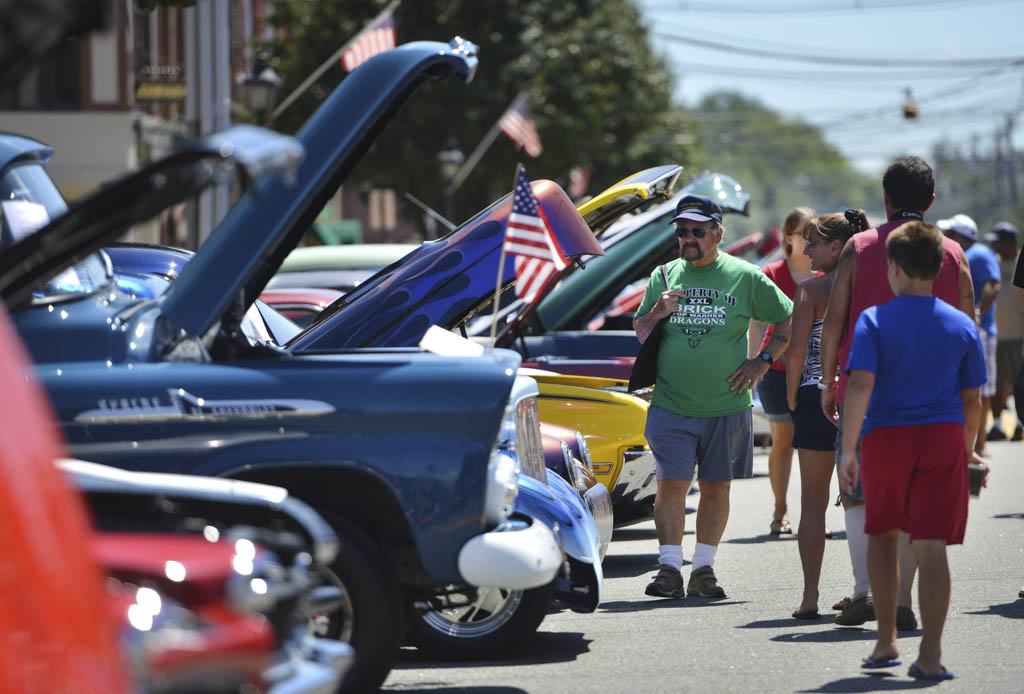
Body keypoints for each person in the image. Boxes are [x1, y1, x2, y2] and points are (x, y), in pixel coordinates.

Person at [819, 155, 975, 630]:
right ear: (930, 202)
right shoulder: (952, 253)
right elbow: (970, 323)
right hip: (936, 399)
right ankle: (903, 603)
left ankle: (867, 593)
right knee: (916, 503)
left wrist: (828, 383)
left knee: (860, 495)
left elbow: (835, 321)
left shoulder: (860, 246)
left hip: (866, 394)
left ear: (886, 199)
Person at [839, 221, 984, 681]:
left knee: (883, 537)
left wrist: (848, 450)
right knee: (932, 546)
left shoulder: (874, 320)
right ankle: (931, 655)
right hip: (942, 437)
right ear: (940, 265)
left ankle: (885, 643)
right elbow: (972, 399)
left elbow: (860, 384)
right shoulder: (962, 324)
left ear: (894, 269)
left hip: (886, 439)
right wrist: (968, 451)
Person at [635, 194, 793, 599]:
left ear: (718, 233)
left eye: (697, 231)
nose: (688, 237)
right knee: (671, 485)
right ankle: (669, 569)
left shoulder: (745, 276)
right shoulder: (665, 276)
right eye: (682, 231)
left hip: (726, 405)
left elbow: (788, 318)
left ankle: (703, 569)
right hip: (671, 403)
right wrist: (657, 312)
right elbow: (641, 330)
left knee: (716, 487)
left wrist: (762, 361)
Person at [785, 209, 865, 619]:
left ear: (837, 246)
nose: (806, 251)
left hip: (816, 398)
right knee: (859, 501)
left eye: (813, 243)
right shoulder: (869, 283)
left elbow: (796, 351)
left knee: (812, 503)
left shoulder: (811, 291)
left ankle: (810, 596)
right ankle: (863, 589)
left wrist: (791, 395)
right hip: (858, 395)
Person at [750, 207, 816, 536]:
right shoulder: (772, 272)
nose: (810, 239)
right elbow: (757, 321)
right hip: (774, 368)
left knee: (815, 446)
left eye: (814, 233)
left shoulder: (825, 275)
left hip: (815, 372)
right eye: (804, 232)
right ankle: (780, 510)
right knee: (783, 442)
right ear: (788, 238)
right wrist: (751, 364)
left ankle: (812, 517)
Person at [939, 214, 1000, 457]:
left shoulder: (979, 254)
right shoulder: (961, 253)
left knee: (979, 387)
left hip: (980, 330)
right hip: (968, 328)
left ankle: (981, 442)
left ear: (962, 236)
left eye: (951, 233)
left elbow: (992, 286)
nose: (948, 237)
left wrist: (975, 315)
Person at [984, 221, 1023, 441]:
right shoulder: (994, 263)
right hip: (997, 335)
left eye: (997, 242)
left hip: (1019, 336)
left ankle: (1019, 424)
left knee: (1020, 384)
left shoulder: (1021, 261)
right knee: (996, 383)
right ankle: (997, 425)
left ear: (1009, 241)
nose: (994, 246)